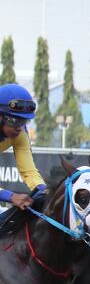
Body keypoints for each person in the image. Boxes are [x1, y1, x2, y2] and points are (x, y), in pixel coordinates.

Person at [0, 84, 48, 233]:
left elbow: (29, 172)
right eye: (13, 121)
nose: (19, 127)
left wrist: (43, 190)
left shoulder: (20, 134)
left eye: (23, 121)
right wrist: (11, 196)